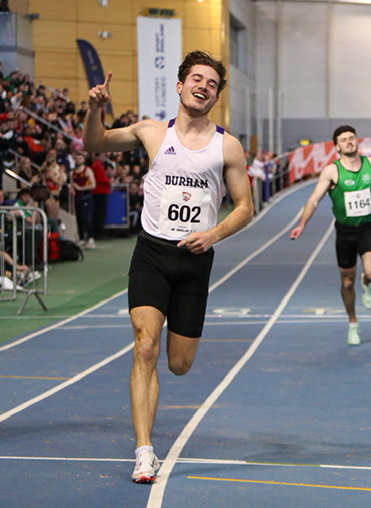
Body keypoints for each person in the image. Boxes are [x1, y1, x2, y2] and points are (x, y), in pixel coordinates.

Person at [83, 50, 253, 484]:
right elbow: (95, 143)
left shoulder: (227, 146)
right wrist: (94, 109)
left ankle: (149, 438)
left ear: (216, 97)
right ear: (180, 86)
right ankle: (144, 452)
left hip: (195, 260)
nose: (203, 87)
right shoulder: (151, 132)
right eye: (196, 79)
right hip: (152, 254)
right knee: (145, 346)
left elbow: (245, 207)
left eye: (211, 84)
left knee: (179, 363)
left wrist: (212, 234)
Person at [289, 125, 371, 346]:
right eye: (344, 140)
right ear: (337, 147)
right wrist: (302, 224)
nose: (349, 142)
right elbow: (314, 200)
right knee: (347, 283)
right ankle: (353, 322)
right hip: (345, 232)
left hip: (367, 227)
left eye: (351, 138)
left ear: (357, 141)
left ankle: (366, 282)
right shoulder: (331, 171)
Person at [69, 150, 96, 249]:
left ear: (84, 160)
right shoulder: (72, 172)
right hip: (77, 198)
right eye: (77, 159)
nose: (78, 160)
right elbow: (72, 184)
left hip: (86, 197)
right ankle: (81, 239)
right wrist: (72, 189)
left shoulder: (87, 170)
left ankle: (91, 238)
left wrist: (81, 188)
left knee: (86, 218)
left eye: (80, 158)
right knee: (79, 219)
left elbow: (93, 185)